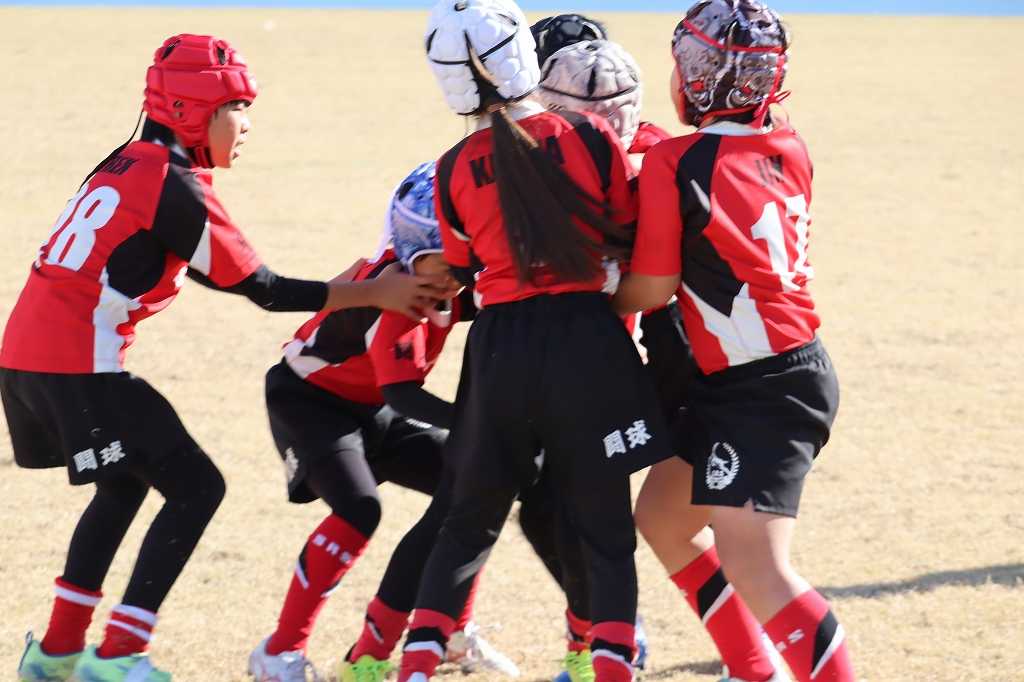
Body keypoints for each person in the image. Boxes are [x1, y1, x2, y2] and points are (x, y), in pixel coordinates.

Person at [4, 34, 442, 682]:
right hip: (78, 363)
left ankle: (57, 653)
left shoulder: (128, 162)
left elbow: (207, 273)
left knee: (124, 485)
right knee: (197, 487)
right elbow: (263, 289)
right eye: (235, 107)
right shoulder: (172, 183)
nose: (246, 124)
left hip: (24, 359)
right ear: (188, 110)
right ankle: (119, 657)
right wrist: (374, 292)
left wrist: (356, 292)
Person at [396, 1, 672, 681]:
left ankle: (415, 666)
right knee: (604, 531)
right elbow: (625, 229)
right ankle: (613, 666)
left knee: (467, 525)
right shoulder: (589, 137)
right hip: (587, 340)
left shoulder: (452, 167)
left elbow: (462, 265)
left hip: (500, 349)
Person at [614, 2, 854, 681]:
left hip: (763, 387)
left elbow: (653, 289)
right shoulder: (790, 144)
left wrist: (588, 301)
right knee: (664, 518)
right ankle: (755, 669)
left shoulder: (675, 161)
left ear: (700, 75)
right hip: (753, 376)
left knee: (758, 566)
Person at [247, 162, 517, 682]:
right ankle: (279, 651)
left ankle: (450, 631)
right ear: (413, 247)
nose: (462, 270)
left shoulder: (442, 277)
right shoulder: (395, 293)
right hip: (310, 402)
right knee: (359, 509)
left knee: (475, 486)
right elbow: (403, 393)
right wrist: (475, 424)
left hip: (377, 407)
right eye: (451, 256)